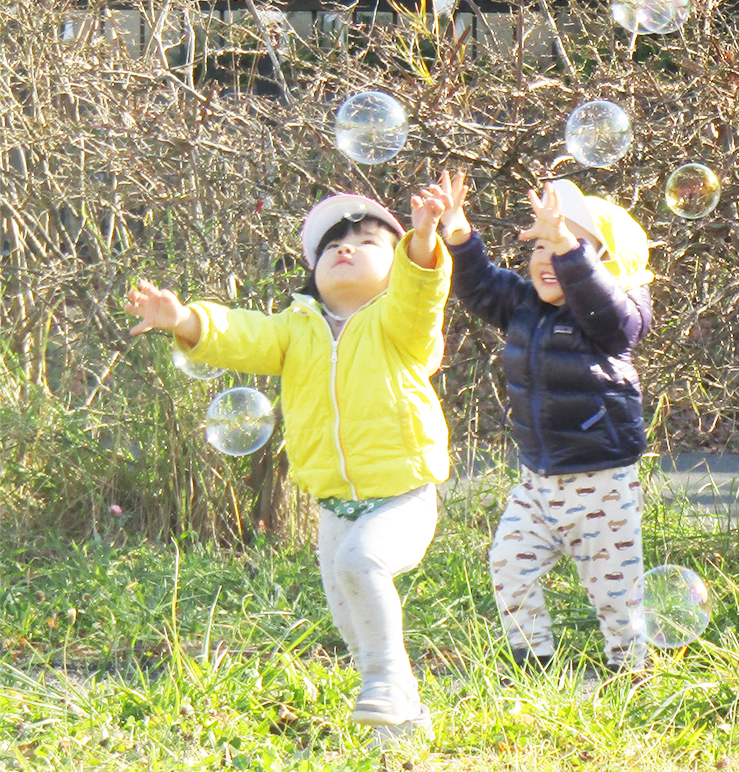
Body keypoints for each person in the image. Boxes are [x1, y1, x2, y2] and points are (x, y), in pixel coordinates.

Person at [126, 191, 452, 739]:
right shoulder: (295, 328)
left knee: (361, 565)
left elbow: (422, 293)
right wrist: (184, 318)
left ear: (395, 266)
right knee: (350, 616)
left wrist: (422, 240)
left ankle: (387, 680)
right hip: (335, 503)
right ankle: (403, 722)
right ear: (315, 271)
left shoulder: (400, 324)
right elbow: (242, 334)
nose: (346, 249)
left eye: (367, 242)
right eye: (333, 245)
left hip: (403, 493)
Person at [427, 171, 657, 672]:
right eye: (540, 247)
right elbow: (480, 284)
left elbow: (609, 315)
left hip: (602, 482)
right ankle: (534, 662)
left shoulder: (616, 313)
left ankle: (629, 667)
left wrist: (569, 250)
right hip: (537, 479)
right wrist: (458, 231)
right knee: (509, 564)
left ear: (603, 265)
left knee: (614, 588)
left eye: (567, 247)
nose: (548, 258)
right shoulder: (523, 304)